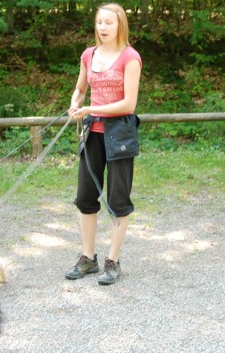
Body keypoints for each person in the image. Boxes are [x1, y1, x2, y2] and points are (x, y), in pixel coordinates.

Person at [64, 3, 142, 285]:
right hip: (91, 133)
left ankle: (113, 261)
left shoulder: (130, 57)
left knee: (118, 200)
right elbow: (81, 89)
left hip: (119, 134)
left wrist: (92, 111)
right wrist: (76, 103)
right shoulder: (89, 55)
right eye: (99, 22)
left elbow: (129, 104)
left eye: (109, 22)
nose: (103, 28)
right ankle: (88, 258)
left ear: (120, 25)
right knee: (85, 197)